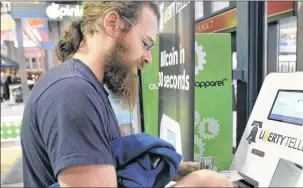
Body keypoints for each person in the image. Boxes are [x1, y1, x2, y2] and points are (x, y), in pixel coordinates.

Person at [20, 2, 232, 187]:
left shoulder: (84, 86)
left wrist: (170, 169)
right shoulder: (72, 93)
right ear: (113, 24)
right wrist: (197, 184)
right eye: (145, 43)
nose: (148, 58)